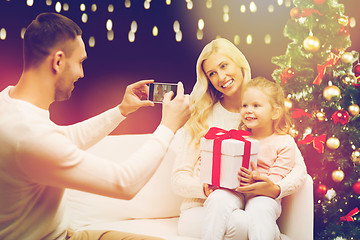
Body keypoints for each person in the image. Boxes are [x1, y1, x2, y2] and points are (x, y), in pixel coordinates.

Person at [0, 13, 190, 240]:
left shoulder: (9, 103)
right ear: (58, 61)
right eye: (80, 62)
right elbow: (124, 183)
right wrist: (169, 126)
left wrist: (121, 110)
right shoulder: (28, 136)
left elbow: (63, 138)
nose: (81, 73)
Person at [171, 38, 308, 239]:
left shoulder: (263, 112)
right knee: (242, 223)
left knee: (248, 219)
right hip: (200, 208)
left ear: (240, 64)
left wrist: (276, 188)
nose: (221, 77)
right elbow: (178, 178)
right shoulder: (201, 117)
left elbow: (299, 169)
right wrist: (206, 189)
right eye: (212, 74)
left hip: (247, 204)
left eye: (224, 66)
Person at [202, 76, 297, 240]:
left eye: (256, 105)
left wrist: (259, 182)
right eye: (244, 105)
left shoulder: (284, 141)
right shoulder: (238, 138)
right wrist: (214, 181)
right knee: (216, 199)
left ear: (274, 112)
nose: (248, 110)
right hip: (236, 191)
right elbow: (224, 166)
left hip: (264, 195)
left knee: (260, 209)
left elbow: (275, 180)